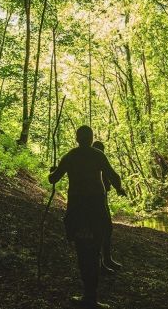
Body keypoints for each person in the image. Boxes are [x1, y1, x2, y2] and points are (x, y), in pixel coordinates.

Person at [49, 126, 126, 309]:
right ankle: (91, 297)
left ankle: (88, 296)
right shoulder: (98, 155)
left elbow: (53, 179)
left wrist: (53, 171)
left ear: (77, 138)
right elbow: (113, 176)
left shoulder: (70, 156)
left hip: (77, 211)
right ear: (91, 139)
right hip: (96, 210)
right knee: (94, 251)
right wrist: (119, 188)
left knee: (83, 252)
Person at [91, 140, 122, 274]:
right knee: (104, 229)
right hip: (97, 201)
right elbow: (113, 176)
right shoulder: (97, 160)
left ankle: (106, 259)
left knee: (104, 230)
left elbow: (108, 177)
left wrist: (118, 189)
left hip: (98, 199)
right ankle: (101, 262)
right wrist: (118, 187)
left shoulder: (94, 161)